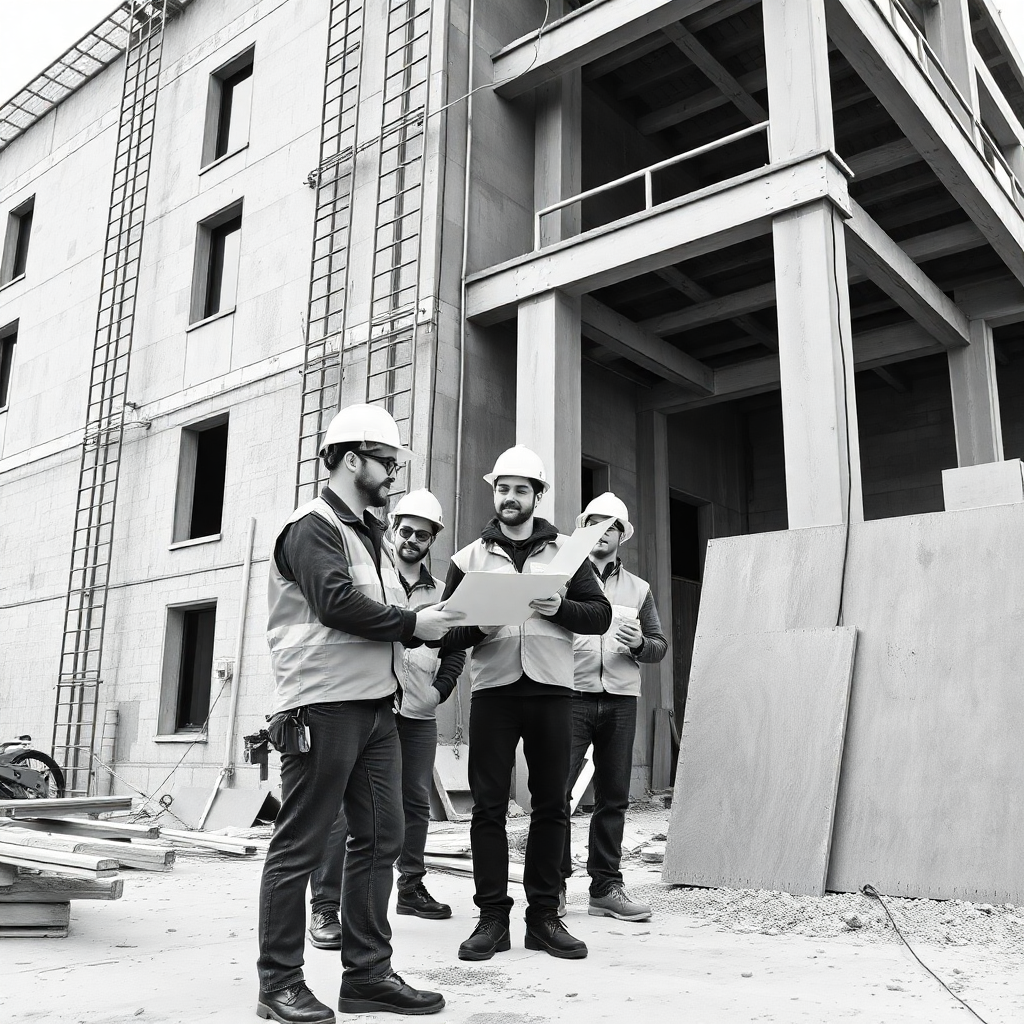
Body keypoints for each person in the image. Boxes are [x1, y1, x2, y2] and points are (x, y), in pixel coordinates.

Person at [256, 404, 462, 1023]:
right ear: (352, 460)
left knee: (380, 838)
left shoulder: (369, 536)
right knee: (301, 843)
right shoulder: (312, 527)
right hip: (321, 707)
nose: (393, 474)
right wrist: (413, 623)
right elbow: (335, 603)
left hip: (377, 708)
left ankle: (368, 975)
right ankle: (278, 984)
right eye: (387, 462)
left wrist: (447, 624)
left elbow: (390, 616)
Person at [441, 445, 612, 962]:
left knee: (551, 805)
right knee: (488, 808)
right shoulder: (467, 559)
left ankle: (544, 918)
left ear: (538, 496)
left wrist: (560, 608)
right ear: (494, 494)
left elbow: (600, 615)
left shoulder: (567, 555)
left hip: (552, 690)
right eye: (503, 489)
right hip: (494, 692)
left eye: (520, 489)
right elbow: (447, 633)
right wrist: (482, 624)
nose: (510, 497)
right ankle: (492, 919)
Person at [306, 490, 465, 951]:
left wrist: (440, 691)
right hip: (372, 705)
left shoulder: (442, 591)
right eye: (405, 531)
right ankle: (325, 904)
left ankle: (411, 887)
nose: (411, 540)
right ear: (393, 530)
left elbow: (455, 647)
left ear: (433, 540)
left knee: (414, 803)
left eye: (422, 534)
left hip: (417, 712)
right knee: (346, 809)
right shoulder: (376, 574)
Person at [561, 493, 668, 923]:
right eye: (595, 523)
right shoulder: (563, 577)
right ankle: (552, 887)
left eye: (611, 526)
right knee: (556, 796)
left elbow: (659, 646)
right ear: (582, 530)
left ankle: (605, 888)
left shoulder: (639, 589)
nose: (602, 532)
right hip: (570, 695)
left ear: (622, 535)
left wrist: (640, 644)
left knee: (613, 798)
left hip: (621, 700)